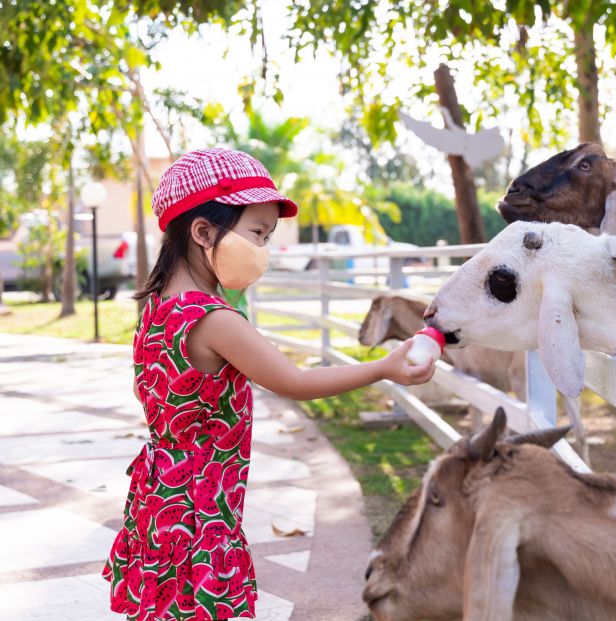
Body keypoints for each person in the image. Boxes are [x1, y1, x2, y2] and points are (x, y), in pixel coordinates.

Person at [102, 148, 435, 621]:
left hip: (160, 500)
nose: (264, 249)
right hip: (202, 516)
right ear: (203, 232)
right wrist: (384, 366)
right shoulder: (212, 319)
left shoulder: (157, 309)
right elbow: (295, 380)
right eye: (257, 233)